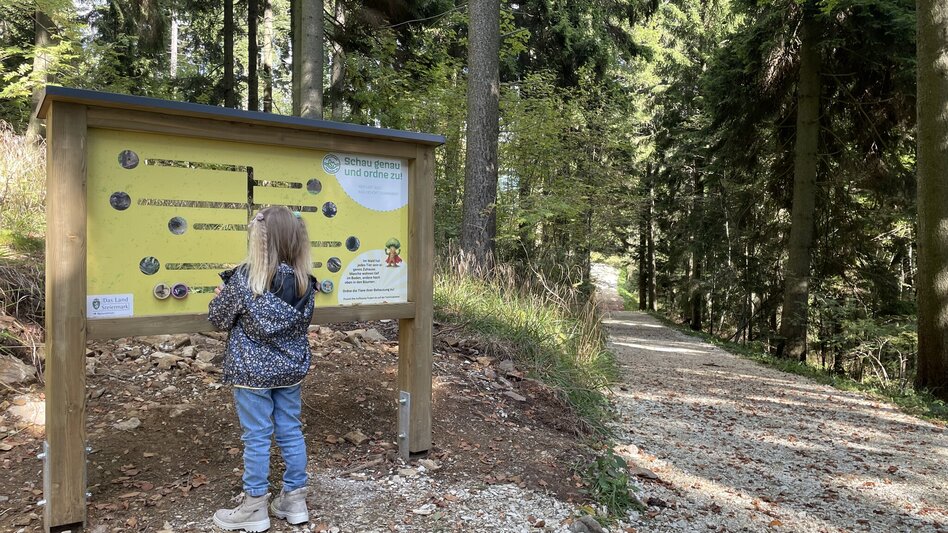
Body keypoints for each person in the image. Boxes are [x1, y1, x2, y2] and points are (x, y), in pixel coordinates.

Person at [207, 206, 317, 532]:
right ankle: (294, 499)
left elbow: (218, 319)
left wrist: (221, 298)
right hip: (290, 371)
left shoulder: (244, 281)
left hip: (251, 373)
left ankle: (254, 505)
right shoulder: (305, 284)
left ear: (260, 241)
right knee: (290, 430)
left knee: (256, 436)